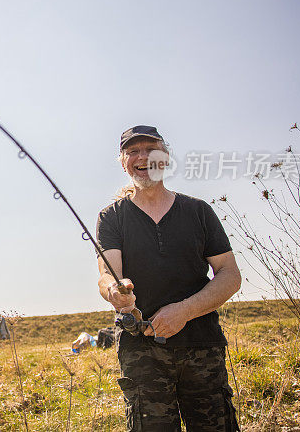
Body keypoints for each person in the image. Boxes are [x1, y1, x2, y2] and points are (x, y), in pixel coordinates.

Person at [96, 125, 242, 431]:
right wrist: (116, 291)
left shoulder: (199, 211)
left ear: (166, 156)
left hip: (202, 345)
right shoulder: (111, 217)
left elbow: (230, 276)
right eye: (133, 151)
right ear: (122, 161)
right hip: (140, 350)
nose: (142, 157)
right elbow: (107, 274)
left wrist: (185, 311)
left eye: (151, 148)